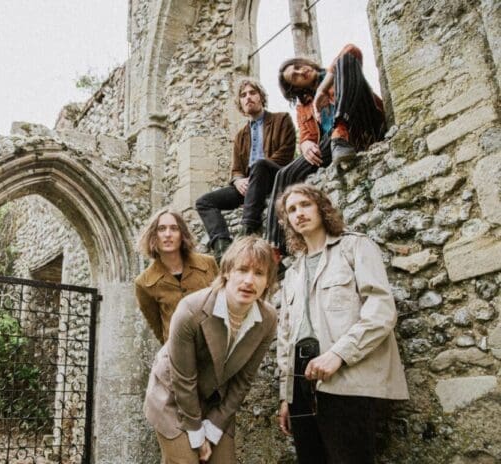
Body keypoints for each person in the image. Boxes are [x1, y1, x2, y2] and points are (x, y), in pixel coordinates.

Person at [274, 183, 408, 464]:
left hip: (347, 381)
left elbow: (381, 310)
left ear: (322, 208)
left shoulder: (355, 246)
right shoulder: (292, 272)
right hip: (300, 388)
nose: (299, 213)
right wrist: (286, 395)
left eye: (305, 204)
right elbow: (286, 337)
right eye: (291, 210)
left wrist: (339, 354)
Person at [144, 236, 278, 463]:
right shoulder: (191, 310)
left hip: (215, 401)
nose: (249, 281)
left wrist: (214, 426)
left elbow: (243, 381)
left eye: (259, 273)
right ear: (226, 271)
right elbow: (183, 380)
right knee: (186, 459)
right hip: (173, 396)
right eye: (242, 270)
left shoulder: (268, 319)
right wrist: (197, 434)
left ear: (268, 280)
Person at [265, 44, 386, 258]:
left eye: (299, 66)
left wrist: (323, 89)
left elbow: (352, 50)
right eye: (295, 75)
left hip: (362, 124)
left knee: (346, 61)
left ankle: (341, 129)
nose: (301, 70)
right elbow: (306, 135)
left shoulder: (336, 71)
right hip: (334, 145)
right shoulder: (303, 107)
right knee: (285, 174)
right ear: (295, 88)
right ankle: (275, 248)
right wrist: (304, 145)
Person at [195, 78, 296, 262]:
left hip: (274, 176)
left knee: (259, 165)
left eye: (252, 93)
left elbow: (286, 154)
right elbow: (236, 169)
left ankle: (248, 228)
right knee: (204, 202)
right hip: (249, 186)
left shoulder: (282, 119)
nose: (248, 97)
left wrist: (258, 170)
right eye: (243, 95)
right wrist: (238, 180)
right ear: (240, 103)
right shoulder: (241, 135)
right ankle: (222, 247)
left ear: (261, 97)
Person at [135, 209, 219, 344]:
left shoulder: (208, 263)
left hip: (214, 345)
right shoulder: (144, 283)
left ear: (182, 234)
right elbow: (157, 327)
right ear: (153, 236)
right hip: (179, 352)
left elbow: (222, 304)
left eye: (174, 228)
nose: (168, 234)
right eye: (161, 229)